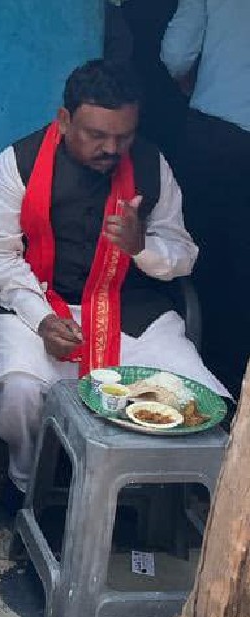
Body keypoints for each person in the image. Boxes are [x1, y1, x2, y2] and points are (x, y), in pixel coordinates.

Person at [0, 59, 228, 504]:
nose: (112, 148)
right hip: (39, 304)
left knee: (203, 399)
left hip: (133, 313)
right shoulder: (16, 164)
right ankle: (25, 488)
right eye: (97, 135)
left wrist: (141, 245)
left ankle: (147, 496)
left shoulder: (152, 164)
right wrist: (39, 319)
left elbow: (184, 255)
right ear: (65, 119)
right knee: (21, 393)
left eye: (123, 136)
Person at [161, 0, 250, 398]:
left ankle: (205, 389)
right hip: (221, 135)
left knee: (203, 265)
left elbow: (175, 54)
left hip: (217, 136)